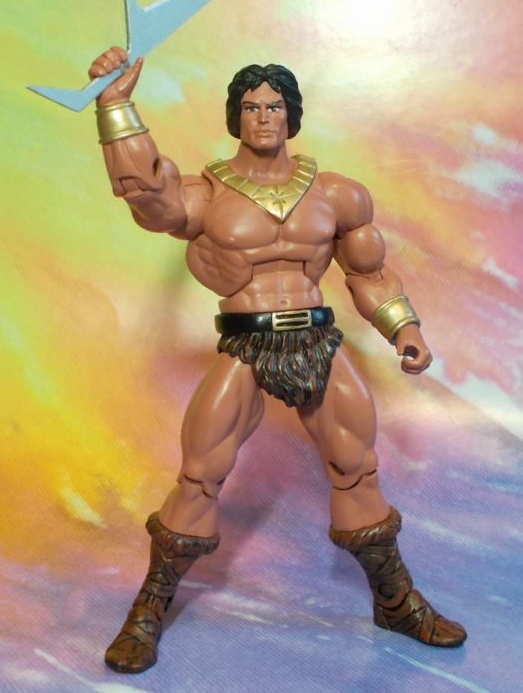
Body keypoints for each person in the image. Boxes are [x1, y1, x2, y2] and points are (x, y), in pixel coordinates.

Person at [89, 46, 466, 674]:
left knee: (356, 466)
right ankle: (147, 610)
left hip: (316, 339)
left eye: (273, 106)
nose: (263, 116)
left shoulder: (338, 194)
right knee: (201, 473)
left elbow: (368, 272)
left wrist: (403, 328)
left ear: (291, 114)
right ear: (235, 117)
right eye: (250, 107)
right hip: (247, 340)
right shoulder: (207, 194)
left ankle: (396, 602)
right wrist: (116, 106)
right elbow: (146, 194)